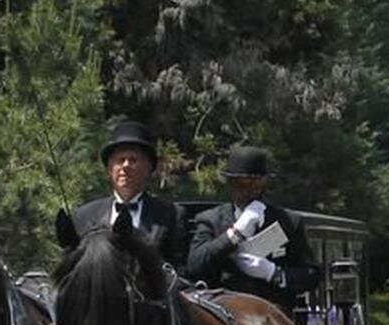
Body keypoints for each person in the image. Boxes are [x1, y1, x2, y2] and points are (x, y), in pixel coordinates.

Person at [186, 146, 320, 313]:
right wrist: (234, 235)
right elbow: (195, 265)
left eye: (256, 185)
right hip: (223, 313)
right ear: (230, 185)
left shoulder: (288, 222)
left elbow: (311, 275)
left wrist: (274, 273)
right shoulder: (211, 220)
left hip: (272, 313)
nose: (249, 192)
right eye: (241, 185)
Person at [71, 120, 187, 269]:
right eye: (120, 160)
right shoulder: (83, 217)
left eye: (133, 160)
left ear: (149, 168)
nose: (125, 166)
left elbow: (180, 274)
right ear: (109, 169)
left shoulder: (171, 215)